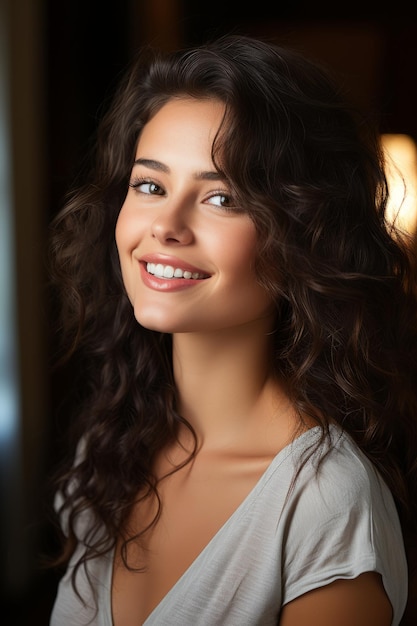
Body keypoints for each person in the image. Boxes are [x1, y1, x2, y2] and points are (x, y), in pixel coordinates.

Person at [47, 33, 417, 626]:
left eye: (222, 197)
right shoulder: (109, 455)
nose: (166, 225)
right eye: (150, 185)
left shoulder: (323, 503)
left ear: (302, 234)